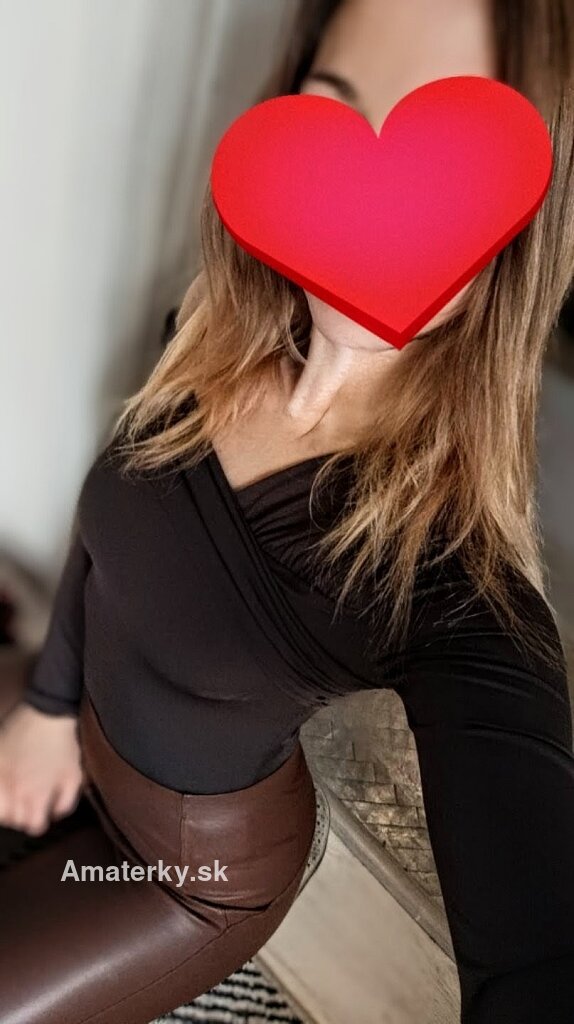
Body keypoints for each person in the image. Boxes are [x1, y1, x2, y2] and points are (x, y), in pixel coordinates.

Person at [1, 0, 574, 1021]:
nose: (373, 213)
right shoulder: (209, 337)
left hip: (181, 878)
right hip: (70, 729)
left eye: (446, 170)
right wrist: (45, 708)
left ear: (523, 222)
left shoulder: (448, 581)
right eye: (339, 115)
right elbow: (108, 534)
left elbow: (537, 954)